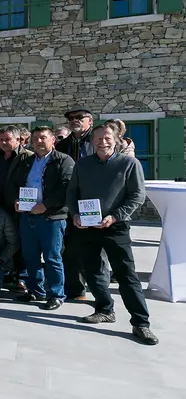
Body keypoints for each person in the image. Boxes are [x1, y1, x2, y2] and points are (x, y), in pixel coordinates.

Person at [66, 124, 157, 345]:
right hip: (86, 227)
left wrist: (115, 216)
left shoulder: (129, 164)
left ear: (116, 139)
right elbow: (72, 192)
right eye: (97, 138)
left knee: (126, 274)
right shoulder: (82, 164)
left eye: (107, 137)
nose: (102, 142)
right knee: (92, 270)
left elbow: (137, 195)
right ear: (92, 141)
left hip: (115, 226)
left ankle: (141, 323)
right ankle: (105, 309)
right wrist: (75, 214)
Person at [10, 126, 74, 310]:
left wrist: (45, 205)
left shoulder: (63, 160)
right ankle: (35, 290)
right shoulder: (27, 161)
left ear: (53, 140)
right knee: (30, 256)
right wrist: (15, 200)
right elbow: (14, 184)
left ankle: (56, 295)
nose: (38, 141)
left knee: (52, 257)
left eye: (43, 137)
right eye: (35, 138)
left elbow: (67, 188)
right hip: (27, 215)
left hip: (51, 217)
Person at [56, 106, 96, 301]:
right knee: (70, 246)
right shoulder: (62, 145)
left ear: (90, 120)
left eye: (79, 117)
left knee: (95, 247)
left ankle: (99, 290)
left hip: (93, 201)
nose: (74, 120)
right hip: (69, 201)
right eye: (71, 118)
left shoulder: (97, 141)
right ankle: (76, 289)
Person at [0, 126, 33, 212]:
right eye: (1, 140)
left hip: (16, 207)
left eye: (7, 139)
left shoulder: (28, 157)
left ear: (17, 139)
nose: (3, 142)